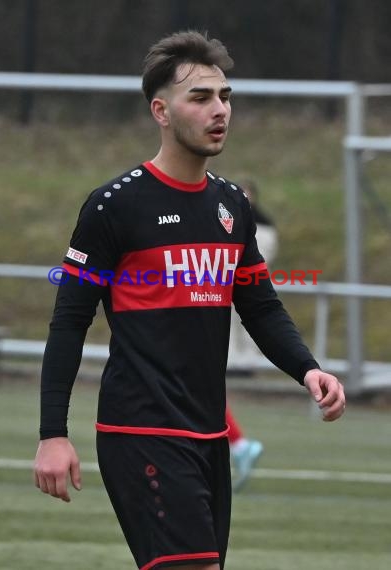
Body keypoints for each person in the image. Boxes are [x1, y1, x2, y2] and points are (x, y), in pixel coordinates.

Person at [34, 30, 346, 570]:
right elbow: (68, 324)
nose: (218, 109)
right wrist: (52, 435)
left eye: (224, 96)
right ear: (161, 110)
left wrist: (307, 369)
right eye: (199, 98)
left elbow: (261, 306)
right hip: (142, 430)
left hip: (209, 434)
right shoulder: (115, 206)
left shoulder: (231, 206)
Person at [227, 180, 279, 492]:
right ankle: (238, 445)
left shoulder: (258, 225)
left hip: (233, 292)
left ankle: (239, 445)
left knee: (189, 384)